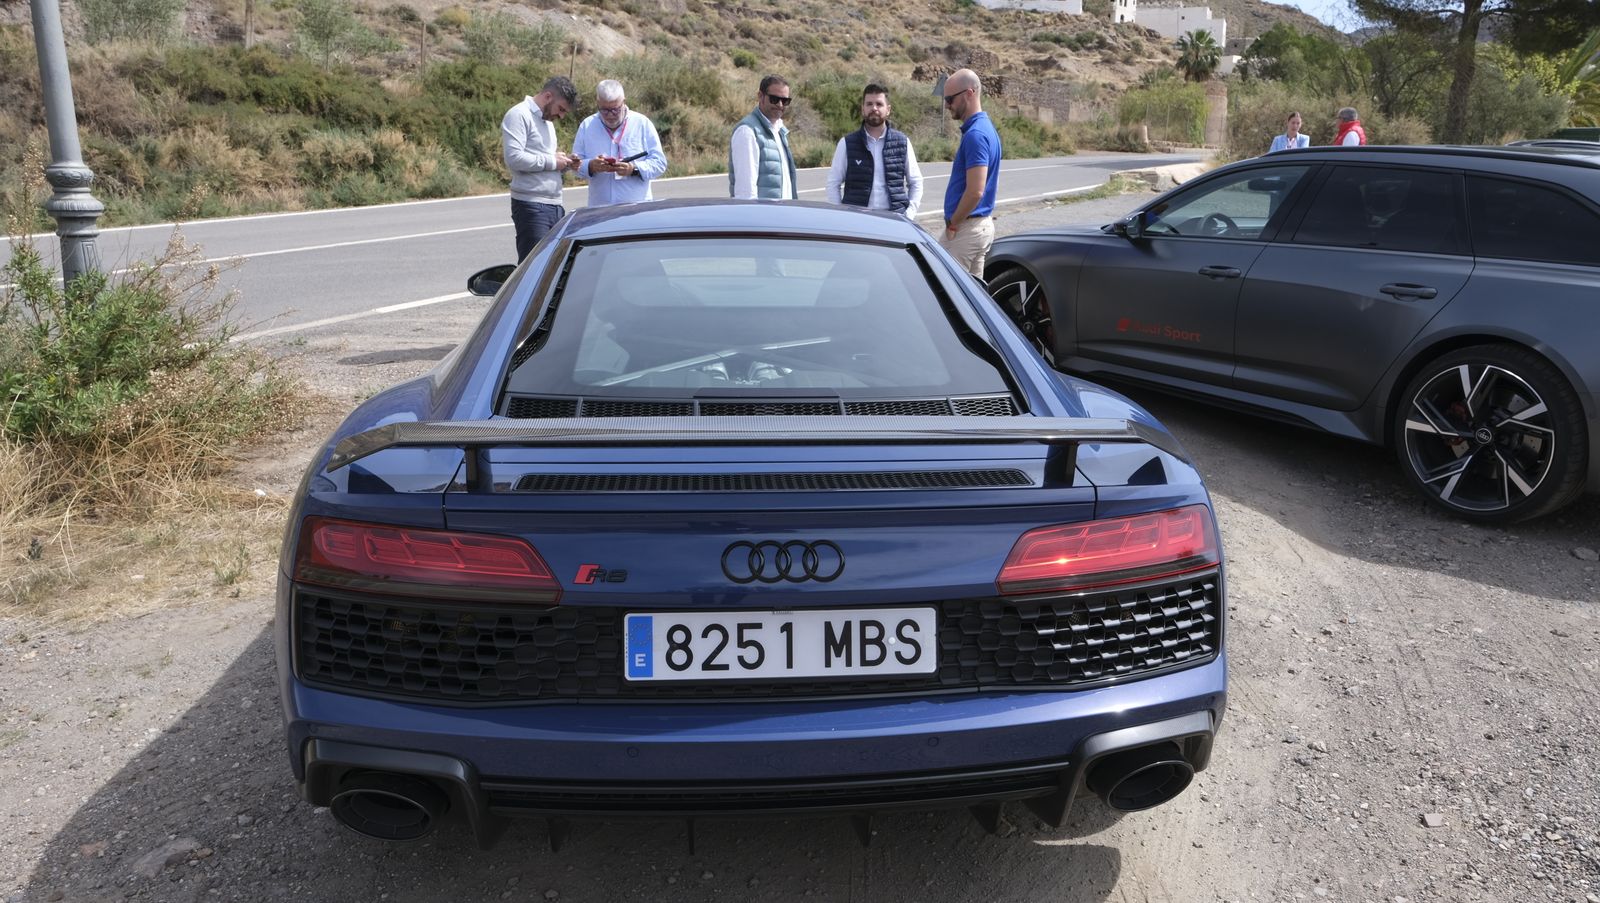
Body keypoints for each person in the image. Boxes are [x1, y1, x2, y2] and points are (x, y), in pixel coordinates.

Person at [502, 75, 580, 261]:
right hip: (532, 205)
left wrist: (565, 163)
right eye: (561, 109)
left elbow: (545, 160)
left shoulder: (547, 122)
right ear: (547, 96)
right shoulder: (518, 115)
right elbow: (514, 158)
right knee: (534, 267)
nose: (561, 116)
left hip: (554, 205)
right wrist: (553, 161)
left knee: (553, 267)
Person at [826, 83, 925, 219]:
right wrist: (841, 216)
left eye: (879, 104)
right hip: (857, 221)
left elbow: (916, 182)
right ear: (863, 109)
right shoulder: (847, 143)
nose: (874, 108)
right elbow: (833, 183)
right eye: (869, 104)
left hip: (894, 220)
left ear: (888, 109)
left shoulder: (902, 142)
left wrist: (909, 215)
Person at [940, 68, 1002, 278]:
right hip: (978, 227)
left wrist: (954, 222)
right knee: (972, 299)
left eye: (950, 99)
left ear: (969, 93)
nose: (947, 105)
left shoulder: (976, 134)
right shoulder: (986, 129)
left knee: (945, 290)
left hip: (966, 229)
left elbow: (975, 191)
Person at [571, 80, 668, 207]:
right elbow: (575, 165)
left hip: (636, 208)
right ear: (597, 103)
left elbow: (659, 163)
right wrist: (591, 166)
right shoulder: (587, 126)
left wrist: (634, 169)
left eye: (615, 110)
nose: (610, 115)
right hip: (599, 209)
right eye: (604, 110)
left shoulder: (642, 124)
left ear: (624, 102)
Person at [729, 75, 798, 200]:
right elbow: (746, 193)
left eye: (785, 101)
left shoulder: (779, 131)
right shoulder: (747, 132)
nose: (780, 105)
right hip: (764, 217)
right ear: (760, 96)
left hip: (782, 215)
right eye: (774, 99)